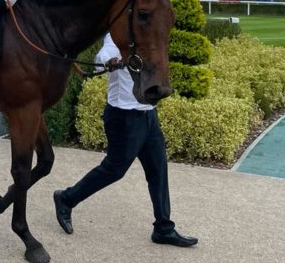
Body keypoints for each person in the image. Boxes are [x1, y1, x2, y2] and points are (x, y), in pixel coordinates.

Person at [52, 33, 198, 248]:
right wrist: (110, 61)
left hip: (148, 113)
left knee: (158, 169)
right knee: (114, 170)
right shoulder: (118, 35)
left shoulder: (147, 35)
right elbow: (102, 56)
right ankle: (66, 198)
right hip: (124, 116)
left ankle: (163, 228)